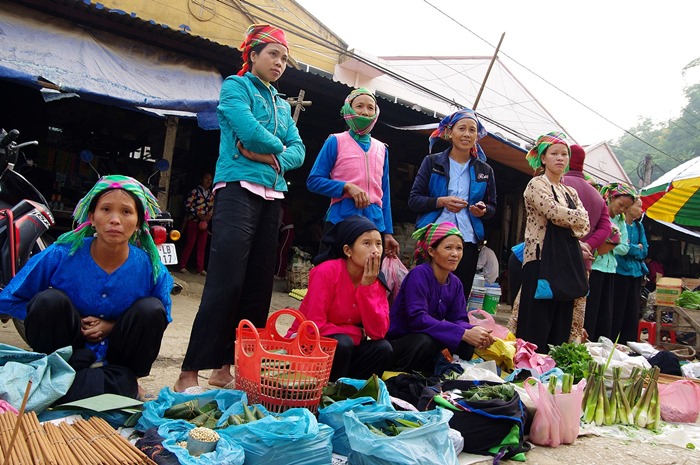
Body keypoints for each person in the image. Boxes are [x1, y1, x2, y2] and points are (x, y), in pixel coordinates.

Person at [175, 24, 305, 393]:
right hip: (236, 188)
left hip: (273, 194)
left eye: (284, 57)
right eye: (273, 54)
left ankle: (228, 367)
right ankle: (190, 371)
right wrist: (276, 150)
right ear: (252, 55)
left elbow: (299, 151)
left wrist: (270, 157)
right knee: (225, 280)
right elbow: (249, 134)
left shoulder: (282, 104)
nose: (280, 63)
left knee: (259, 285)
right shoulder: (235, 86)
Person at [0, 175, 172, 401]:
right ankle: (58, 371)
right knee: (49, 301)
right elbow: (10, 299)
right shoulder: (61, 254)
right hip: (68, 348)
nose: (115, 220)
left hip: (118, 354)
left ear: (139, 222)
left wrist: (113, 326)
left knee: (151, 309)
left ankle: (130, 378)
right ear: (91, 216)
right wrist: (70, 320)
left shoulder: (151, 267)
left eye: (126, 212)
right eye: (106, 209)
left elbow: (162, 316)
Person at [287, 216, 392, 381]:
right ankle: (327, 390)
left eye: (378, 244)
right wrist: (357, 333)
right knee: (342, 343)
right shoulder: (325, 272)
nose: (375, 251)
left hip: (344, 348)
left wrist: (367, 288)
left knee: (383, 349)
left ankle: (350, 393)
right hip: (307, 344)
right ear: (347, 250)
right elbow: (314, 326)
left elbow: (378, 333)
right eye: (367, 243)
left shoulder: (376, 281)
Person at [408, 108, 497, 300]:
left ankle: (454, 330)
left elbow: (492, 208)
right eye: (461, 128)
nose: (466, 134)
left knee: (458, 297)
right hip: (434, 238)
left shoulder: (485, 170)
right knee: (425, 294)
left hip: (467, 242)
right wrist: (441, 201)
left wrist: (482, 210)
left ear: (477, 135)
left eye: (472, 130)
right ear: (450, 132)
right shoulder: (432, 162)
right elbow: (414, 200)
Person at [387, 222, 495, 373]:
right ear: (431, 251)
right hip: (402, 340)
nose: (455, 254)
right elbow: (418, 319)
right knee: (426, 342)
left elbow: (458, 319)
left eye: (459, 248)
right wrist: (462, 333)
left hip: (429, 335)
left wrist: (475, 331)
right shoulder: (419, 275)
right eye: (448, 248)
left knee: (467, 346)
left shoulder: (455, 283)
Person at [515, 132, 589, 351]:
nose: (560, 158)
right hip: (539, 258)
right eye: (554, 153)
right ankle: (528, 367)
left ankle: (552, 369)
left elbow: (585, 225)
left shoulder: (570, 191)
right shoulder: (536, 184)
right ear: (543, 158)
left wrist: (574, 218)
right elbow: (553, 212)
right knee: (537, 319)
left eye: (564, 154)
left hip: (565, 262)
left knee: (560, 320)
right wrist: (575, 217)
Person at [307, 88, 399, 258]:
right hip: (341, 219)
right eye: (359, 106)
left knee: (367, 278)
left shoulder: (382, 149)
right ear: (348, 109)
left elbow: (384, 194)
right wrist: (347, 187)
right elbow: (313, 181)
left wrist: (387, 233)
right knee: (333, 273)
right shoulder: (335, 140)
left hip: (374, 224)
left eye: (370, 108)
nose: (365, 112)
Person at [561, 144, 612, 342]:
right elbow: (606, 228)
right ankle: (569, 352)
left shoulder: (557, 184)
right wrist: (588, 245)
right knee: (575, 318)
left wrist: (573, 246)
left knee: (546, 311)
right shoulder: (596, 195)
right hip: (584, 265)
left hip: (554, 261)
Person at [584, 183, 637, 342]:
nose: (622, 210)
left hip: (610, 270)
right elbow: (593, 239)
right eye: (621, 205)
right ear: (611, 198)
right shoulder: (598, 213)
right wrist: (612, 241)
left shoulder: (621, 220)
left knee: (605, 314)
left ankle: (600, 348)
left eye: (626, 208)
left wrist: (608, 243)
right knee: (590, 312)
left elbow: (624, 248)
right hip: (595, 268)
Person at [612, 197, 648, 344]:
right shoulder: (620, 224)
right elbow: (620, 248)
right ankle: (612, 341)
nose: (641, 210)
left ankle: (629, 344)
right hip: (620, 272)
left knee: (633, 312)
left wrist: (631, 247)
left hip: (636, 273)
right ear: (629, 207)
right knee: (617, 310)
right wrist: (634, 247)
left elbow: (644, 250)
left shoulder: (639, 227)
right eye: (639, 206)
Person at [178, 172, 214, 276]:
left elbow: (212, 208)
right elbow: (187, 204)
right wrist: (197, 214)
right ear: (201, 180)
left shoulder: (211, 195)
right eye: (206, 179)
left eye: (210, 180)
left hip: (204, 224)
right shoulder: (195, 192)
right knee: (190, 244)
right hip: (193, 221)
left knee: (202, 246)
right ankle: (182, 266)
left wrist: (209, 216)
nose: (208, 181)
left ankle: (200, 269)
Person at [274, 201, 295, 279]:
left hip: (288, 230)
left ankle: (280, 274)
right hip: (284, 231)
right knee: (281, 251)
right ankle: (281, 272)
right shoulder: (281, 207)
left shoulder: (281, 208)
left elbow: (278, 223)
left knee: (281, 252)